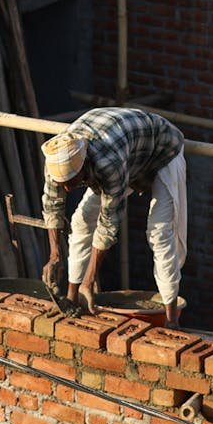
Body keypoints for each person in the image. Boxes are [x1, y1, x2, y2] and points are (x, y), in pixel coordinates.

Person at [40, 107, 187, 327]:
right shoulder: (56, 163)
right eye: (63, 184)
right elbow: (52, 205)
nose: (68, 189)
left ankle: (171, 318)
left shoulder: (108, 164)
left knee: (159, 232)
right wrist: (54, 255)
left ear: (84, 165)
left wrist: (90, 281)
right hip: (129, 148)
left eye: (72, 181)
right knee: (81, 220)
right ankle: (72, 298)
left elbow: (108, 225)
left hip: (163, 149)